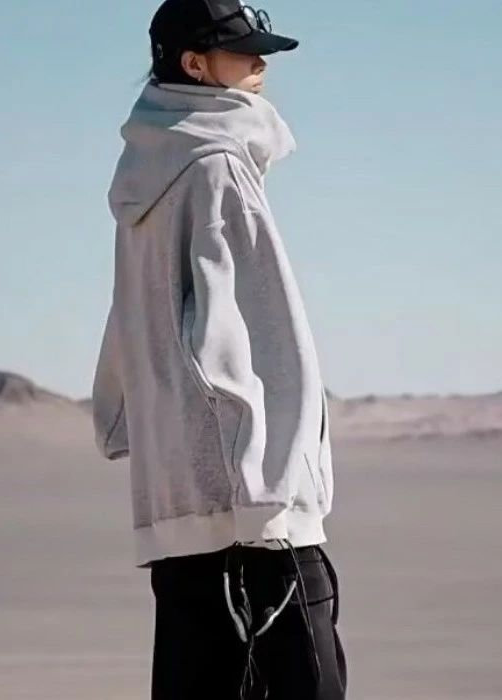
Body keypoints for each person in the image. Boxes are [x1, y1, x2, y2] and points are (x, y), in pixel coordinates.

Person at [91, 1, 347, 697]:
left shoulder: (146, 172)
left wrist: (130, 426)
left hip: (180, 505)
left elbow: (128, 320)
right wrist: (270, 491)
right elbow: (251, 334)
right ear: (195, 64)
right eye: (243, 49)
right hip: (252, 515)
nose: (261, 62)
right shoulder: (217, 167)